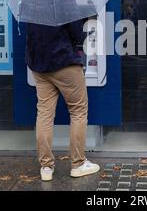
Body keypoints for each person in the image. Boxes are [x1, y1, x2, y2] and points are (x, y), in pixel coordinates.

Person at [26, 19, 100, 181]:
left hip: (39, 65)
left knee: (44, 114)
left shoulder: (32, 3)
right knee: (78, 111)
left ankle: (46, 166)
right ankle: (78, 164)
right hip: (65, 63)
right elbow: (79, 35)